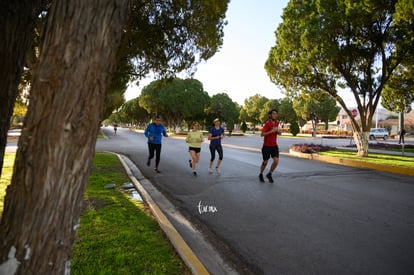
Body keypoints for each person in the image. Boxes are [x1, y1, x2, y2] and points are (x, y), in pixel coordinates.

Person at [259, 109, 281, 183]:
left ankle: (269, 174)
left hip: (274, 146)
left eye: (276, 114)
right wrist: (271, 131)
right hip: (266, 146)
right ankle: (261, 174)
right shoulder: (267, 123)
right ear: (270, 115)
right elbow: (262, 134)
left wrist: (277, 131)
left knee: (276, 161)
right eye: (274, 114)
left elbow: (279, 132)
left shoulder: (277, 123)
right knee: (265, 162)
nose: (275, 115)